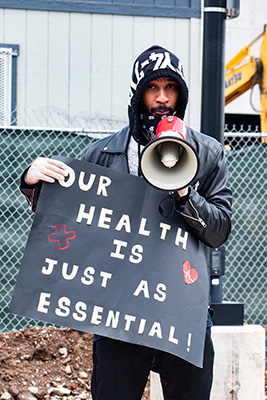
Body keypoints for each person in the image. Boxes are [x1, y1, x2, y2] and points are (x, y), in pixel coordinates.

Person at [20, 45, 232, 400]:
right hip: (119, 311)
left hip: (182, 310)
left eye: (170, 88)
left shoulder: (207, 154)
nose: (162, 98)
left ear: (180, 94)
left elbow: (219, 231)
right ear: (138, 94)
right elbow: (65, 215)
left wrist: (185, 193)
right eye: (153, 88)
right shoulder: (102, 154)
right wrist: (32, 181)